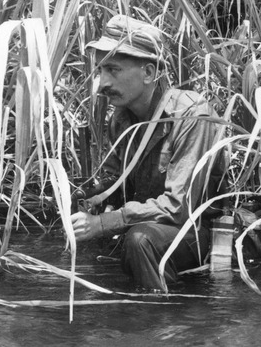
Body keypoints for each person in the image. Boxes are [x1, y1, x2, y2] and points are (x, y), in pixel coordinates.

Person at [70, 14, 226, 290]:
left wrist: (103, 223)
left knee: (140, 240)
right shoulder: (120, 120)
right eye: (99, 71)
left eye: (113, 70)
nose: (102, 83)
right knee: (106, 243)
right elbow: (114, 179)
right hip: (152, 225)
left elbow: (179, 208)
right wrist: (82, 192)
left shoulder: (191, 116)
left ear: (149, 73)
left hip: (198, 231)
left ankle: (155, 317)